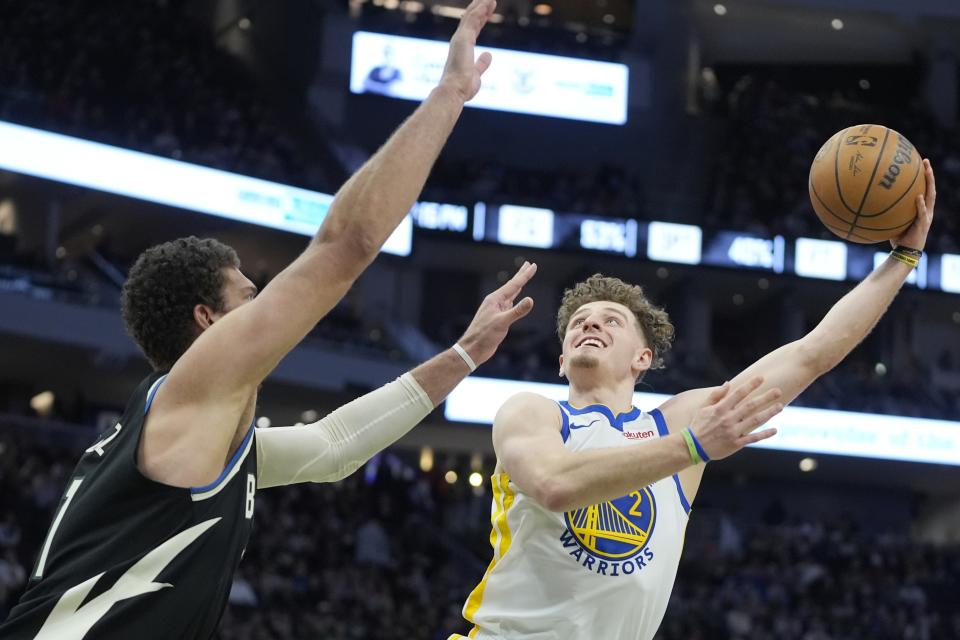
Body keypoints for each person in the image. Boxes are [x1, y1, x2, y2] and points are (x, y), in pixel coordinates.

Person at [0, 1, 509, 638]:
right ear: (206, 322)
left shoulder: (199, 435)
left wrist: (462, 355)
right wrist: (449, 95)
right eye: (248, 298)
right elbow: (344, 245)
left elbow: (333, 448)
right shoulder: (189, 392)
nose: (264, 307)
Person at [452, 162, 937, 640]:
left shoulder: (677, 420)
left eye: (610, 320)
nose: (589, 324)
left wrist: (904, 260)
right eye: (579, 321)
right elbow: (554, 484)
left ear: (643, 358)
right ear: (561, 360)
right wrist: (694, 446)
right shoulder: (533, 413)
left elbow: (811, 353)